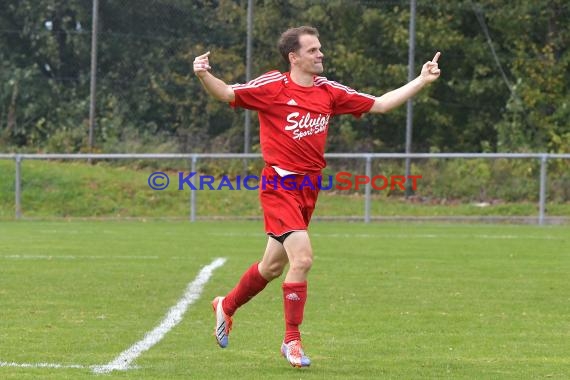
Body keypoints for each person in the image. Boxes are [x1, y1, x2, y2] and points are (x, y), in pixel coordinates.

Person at [193, 25, 440, 368]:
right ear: (294, 57)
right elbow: (226, 93)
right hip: (279, 185)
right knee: (303, 259)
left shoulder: (329, 91)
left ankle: (226, 305)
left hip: (309, 188)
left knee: (272, 266)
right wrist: (204, 74)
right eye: (312, 50)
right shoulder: (271, 86)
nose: (320, 54)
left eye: (320, 49)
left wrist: (421, 80)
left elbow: (381, 104)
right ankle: (291, 341)